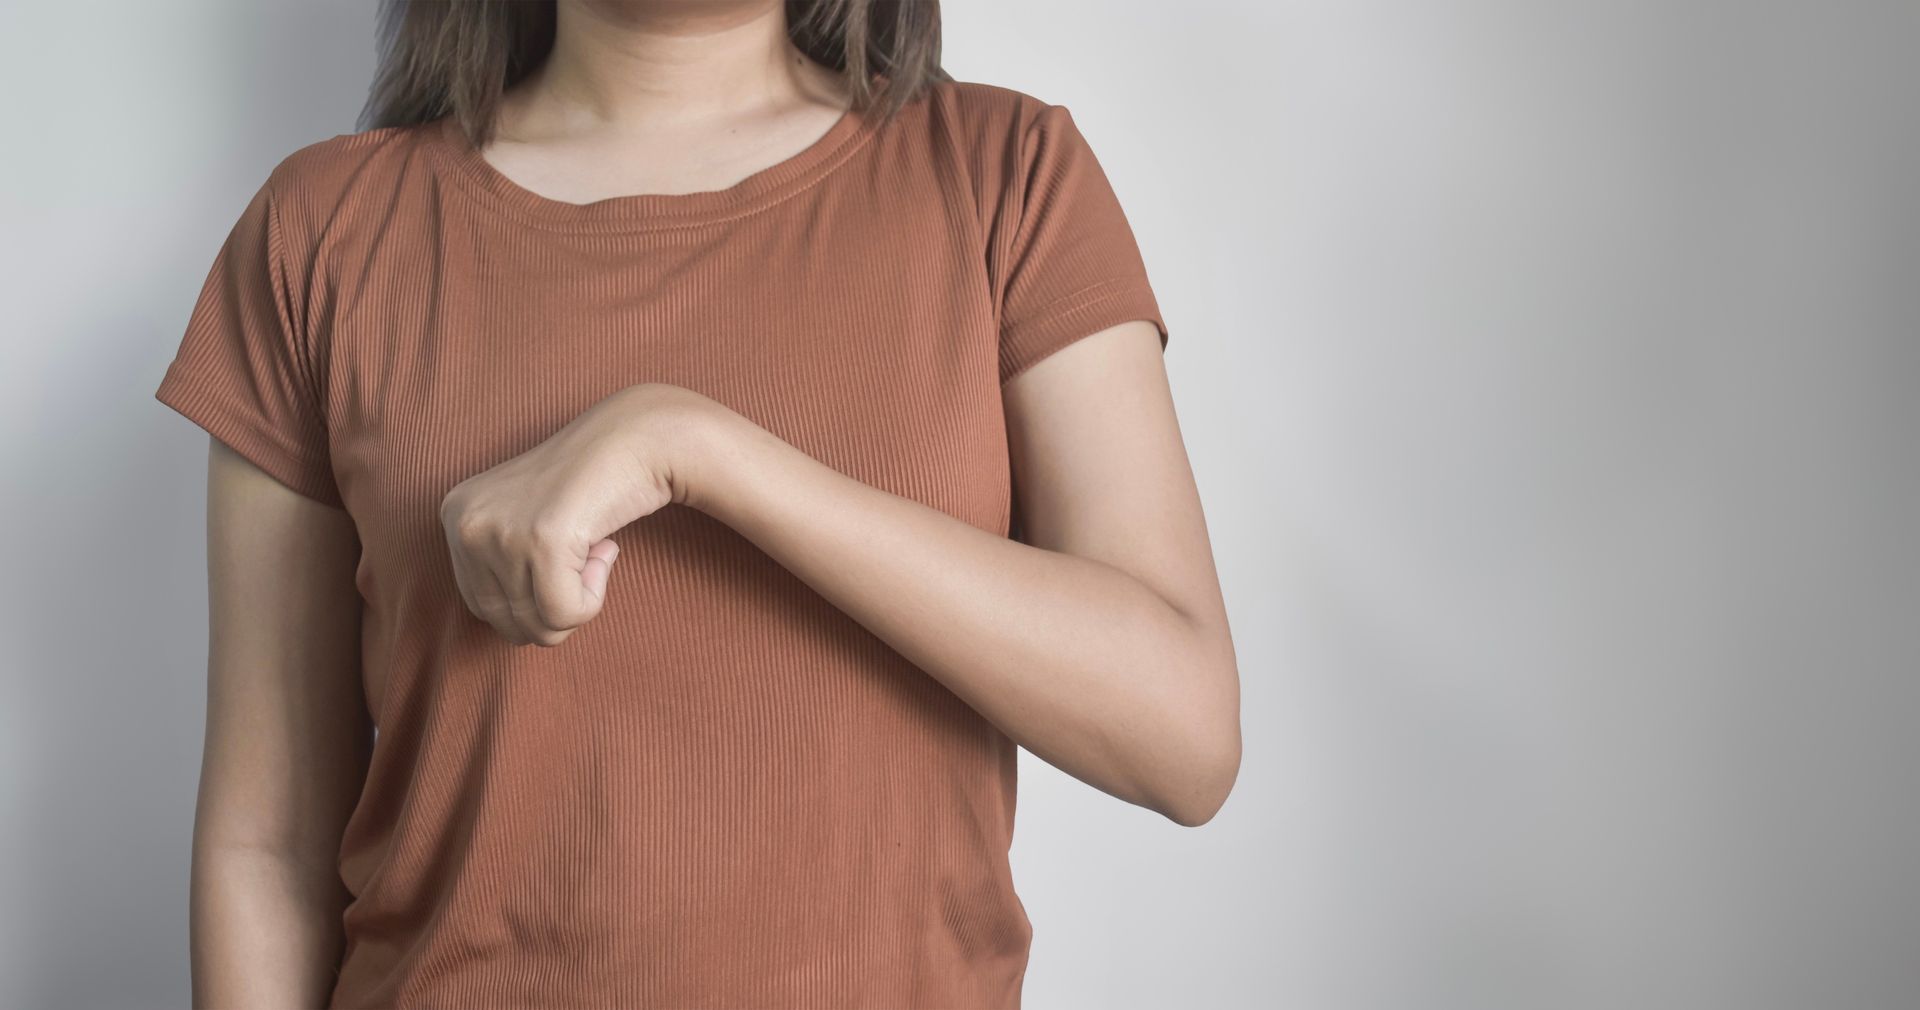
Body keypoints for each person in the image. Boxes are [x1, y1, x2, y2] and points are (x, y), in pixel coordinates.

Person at [152, 1, 1241, 1006]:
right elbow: (270, 844)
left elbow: (1182, 735)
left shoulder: (1006, 177)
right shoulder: (323, 235)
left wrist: (696, 447)